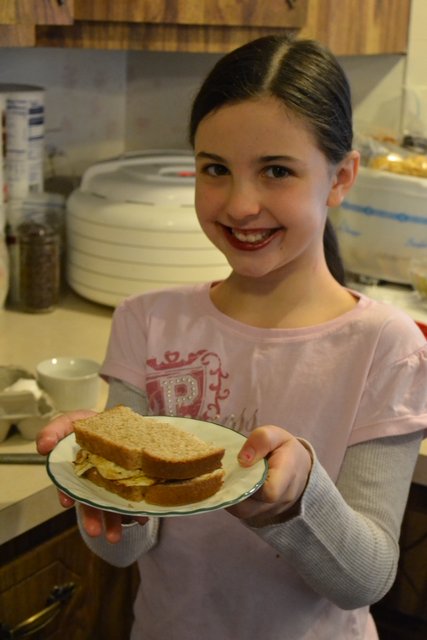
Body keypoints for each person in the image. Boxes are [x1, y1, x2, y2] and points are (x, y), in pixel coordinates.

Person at [37, 35, 427, 640]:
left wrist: (297, 502)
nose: (241, 204)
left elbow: (367, 579)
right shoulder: (147, 321)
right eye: (215, 169)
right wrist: (96, 480)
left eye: (276, 170)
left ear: (341, 176)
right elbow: (124, 552)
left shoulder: (386, 345)